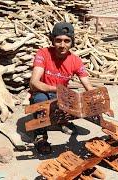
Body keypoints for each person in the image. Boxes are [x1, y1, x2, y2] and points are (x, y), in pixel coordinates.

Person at [29, 22, 94, 155]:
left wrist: (99, 102)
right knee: (41, 101)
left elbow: (88, 85)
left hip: (59, 94)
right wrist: (58, 90)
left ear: (72, 42)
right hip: (42, 92)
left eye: (66, 41)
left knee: (74, 102)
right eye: (58, 40)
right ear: (52, 40)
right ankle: (40, 136)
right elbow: (34, 82)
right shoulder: (43, 53)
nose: (62, 45)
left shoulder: (75, 60)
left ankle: (61, 121)